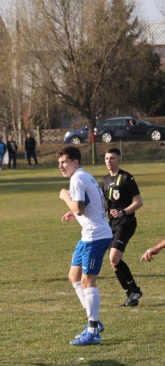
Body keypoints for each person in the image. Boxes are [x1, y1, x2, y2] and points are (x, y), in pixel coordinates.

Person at [58, 146, 113, 346]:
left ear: (75, 162)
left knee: (88, 281)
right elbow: (102, 205)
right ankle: (94, 322)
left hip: (96, 236)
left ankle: (93, 330)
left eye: (64, 162)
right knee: (74, 277)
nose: (61, 166)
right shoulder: (86, 176)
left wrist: (66, 197)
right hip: (88, 235)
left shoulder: (77, 179)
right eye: (59, 163)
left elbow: (80, 209)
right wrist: (76, 211)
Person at [102, 148, 143, 306]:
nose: (108, 161)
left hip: (126, 222)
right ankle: (130, 295)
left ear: (119, 160)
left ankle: (135, 290)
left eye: (112, 158)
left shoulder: (127, 178)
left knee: (114, 257)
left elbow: (139, 202)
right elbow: (106, 205)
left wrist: (123, 212)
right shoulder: (105, 180)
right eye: (106, 158)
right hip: (111, 224)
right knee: (114, 262)